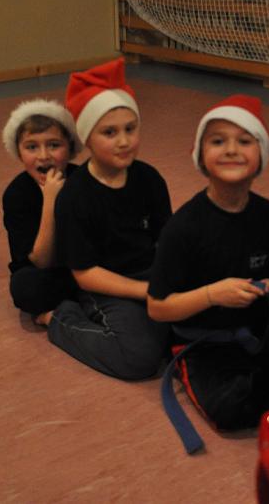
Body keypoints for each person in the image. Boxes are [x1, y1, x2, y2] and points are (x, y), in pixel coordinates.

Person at [147, 95, 269, 452]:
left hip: (256, 334)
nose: (231, 150)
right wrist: (213, 294)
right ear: (200, 156)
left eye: (244, 141)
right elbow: (158, 307)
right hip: (203, 345)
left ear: (261, 156)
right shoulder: (183, 228)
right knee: (232, 409)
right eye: (218, 141)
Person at [48, 58, 171, 380]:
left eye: (130, 129)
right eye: (109, 132)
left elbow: (166, 241)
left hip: (149, 276)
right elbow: (85, 274)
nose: (123, 141)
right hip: (106, 286)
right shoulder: (75, 196)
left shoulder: (149, 178)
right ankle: (60, 318)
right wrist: (144, 292)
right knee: (138, 357)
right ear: (87, 138)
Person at [1, 99, 82, 325]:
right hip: (47, 272)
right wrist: (50, 200)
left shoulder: (82, 180)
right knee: (26, 287)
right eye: (32, 147)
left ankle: (81, 304)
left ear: (70, 148)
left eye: (54, 145)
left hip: (87, 267)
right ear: (19, 153)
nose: (44, 155)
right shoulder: (17, 194)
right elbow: (42, 260)